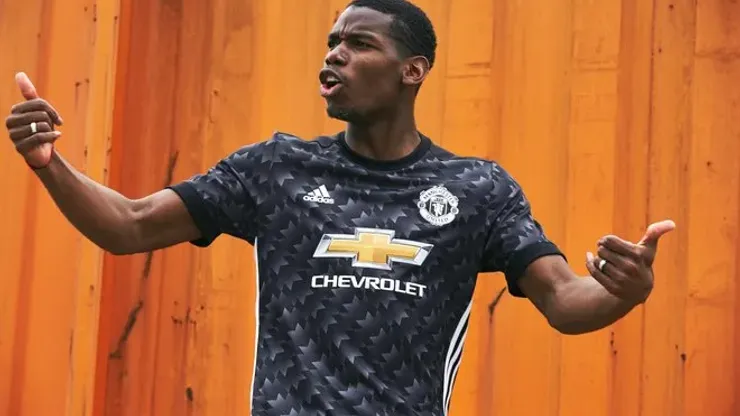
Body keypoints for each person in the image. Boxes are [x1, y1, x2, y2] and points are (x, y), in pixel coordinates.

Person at [4, 0, 674, 414]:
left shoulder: (478, 189)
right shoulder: (276, 169)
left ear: (412, 70)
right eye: (332, 42)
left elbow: (565, 301)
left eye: (359, 44)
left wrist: (625, 292)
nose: (334, 55)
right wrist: (48, 164)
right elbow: (127, 227)